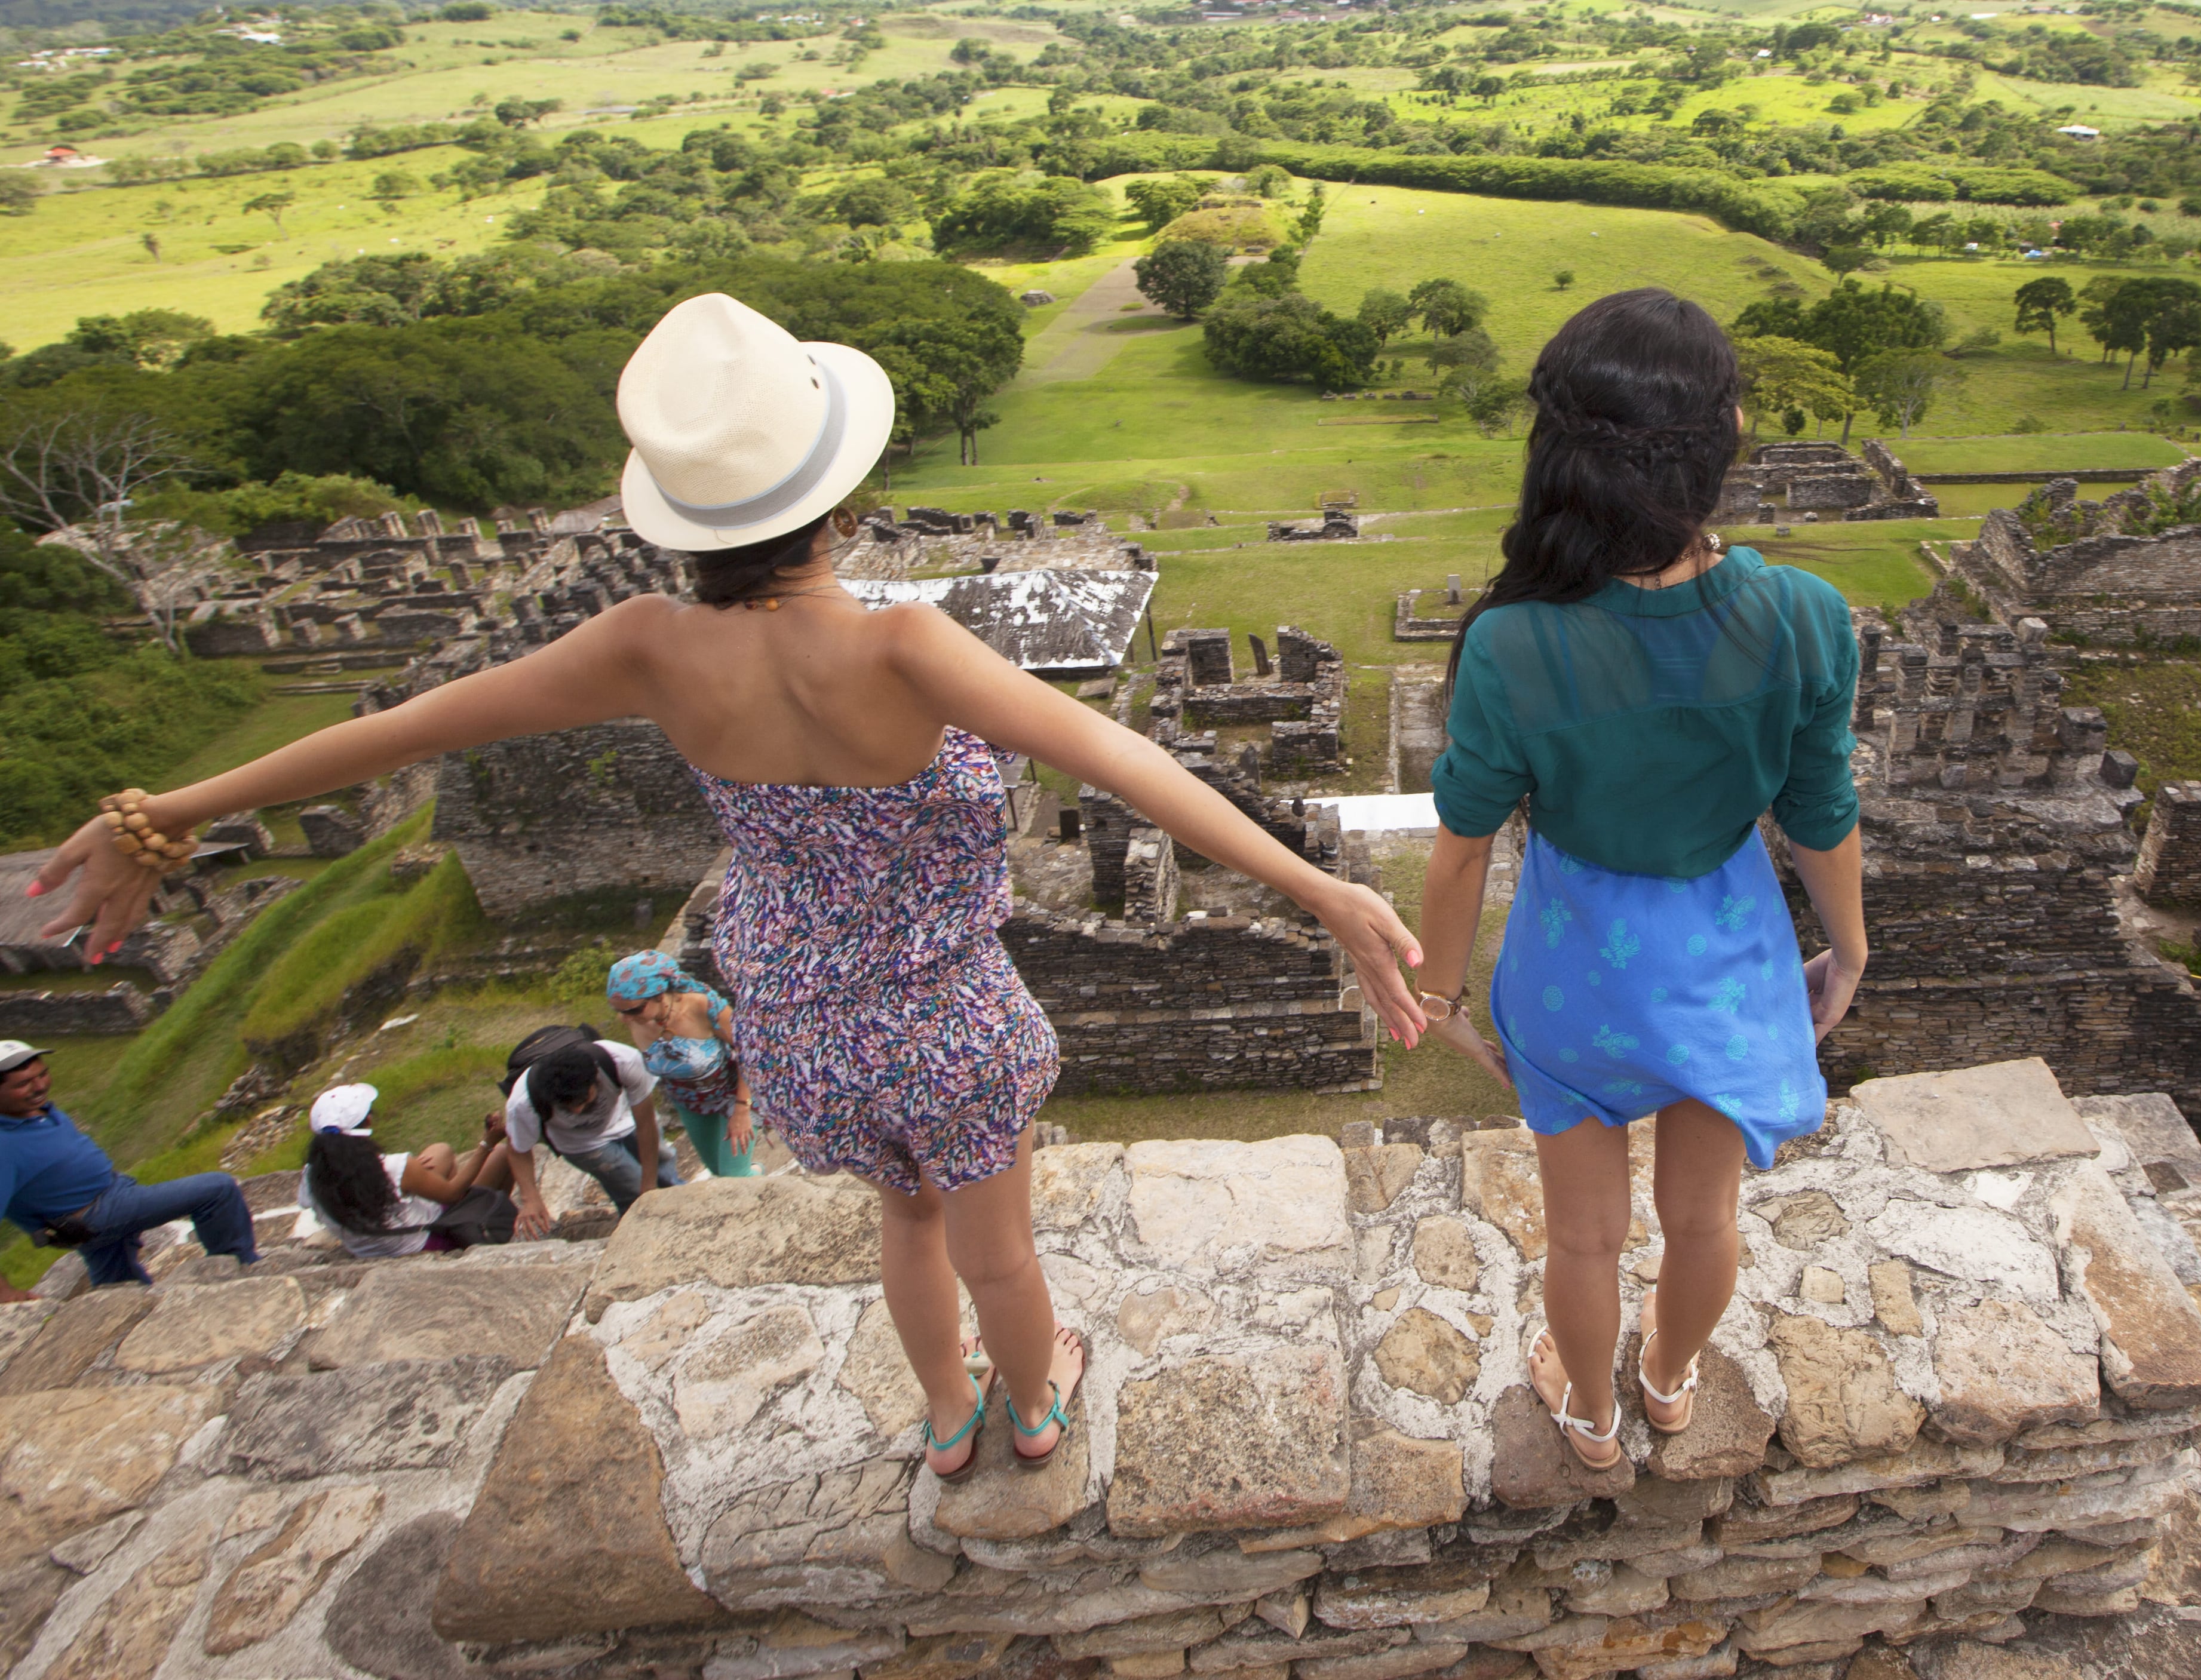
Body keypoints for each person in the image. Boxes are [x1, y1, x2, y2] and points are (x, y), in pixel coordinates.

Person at [27, 293, 1426, 1483]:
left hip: (803, 1023)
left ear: (681, 523)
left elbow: (405, 727)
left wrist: (163, 814)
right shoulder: (901, 647)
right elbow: (1118, 753)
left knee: (907, 1219)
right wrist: (1322, 888)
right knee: (997, 1243)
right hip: (947, 1011)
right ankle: (1036, 1401)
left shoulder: (647, 643)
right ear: (844, 494)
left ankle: (945, 1416)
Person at [1411, 290, 1870, 1469]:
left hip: (1576, 966)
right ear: (1715, 448)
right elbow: (1818, 812)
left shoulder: (1516, 642)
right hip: (1723, 955)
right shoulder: (1804, 617)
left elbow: (1461, 842)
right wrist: (1850, 946)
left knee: (1582, 1235)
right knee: (1704, 1214)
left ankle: (1590, 1413)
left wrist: (1440, 993)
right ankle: (1668, 1379)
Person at [0, 1039, 260, 1286]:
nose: (40, 1086)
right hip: (96, 1213)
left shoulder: (35, 1111)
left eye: (42, 1075)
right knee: (218, 1189)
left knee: (119, 1285)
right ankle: (241, 1269)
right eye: (24, 1084)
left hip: (108, 1196)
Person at [296, 1082, 517, 1259]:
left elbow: (325, 1199)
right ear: (368, 1121)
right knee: (501, 1155)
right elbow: (453, 1193)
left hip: (365, 1249)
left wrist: (412, 1178)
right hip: (424, 1240)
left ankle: (455, 1205)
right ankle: (487, 1226)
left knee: (440, 1152)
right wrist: (487, 1143)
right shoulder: (392, 1168)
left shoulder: (311, 1177)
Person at [499, 1038, 679, 1236]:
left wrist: (650, 1185)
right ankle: (644, 1236)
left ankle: (683, 1210)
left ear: (598, 1080)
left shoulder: (622, 1061)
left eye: (584, 1101)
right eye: (566, 1107)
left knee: (665, 1172)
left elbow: (646, 1124)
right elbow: (518, 1149)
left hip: (626, 1119)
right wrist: (530, 1197)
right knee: (633, 1190)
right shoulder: (524, 1102)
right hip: (581, 1145)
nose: (577, 1110)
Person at [606, 949, 760, 1178]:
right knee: (717, 1170)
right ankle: (757, 1174)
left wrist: (742, 1108)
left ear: (659, 995)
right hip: (689, 1102)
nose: (625, 1018)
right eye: (618, 1011)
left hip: (732, 1095)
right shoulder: (634, 1018)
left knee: (733, 1176)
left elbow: (750, 1051)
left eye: (633, 1010)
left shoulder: (703, 1007)